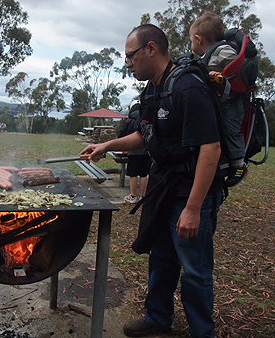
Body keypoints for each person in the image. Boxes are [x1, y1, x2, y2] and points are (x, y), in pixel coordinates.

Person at [80, 24, 223, 338]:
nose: (127, 63)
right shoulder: (153, 89)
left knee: (194, 269)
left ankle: (203, 332)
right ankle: (158, 317)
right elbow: (143, 136)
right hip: (163, 186)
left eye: (130, 56)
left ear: (151, 49)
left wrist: (194, 208)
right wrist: (107, 145)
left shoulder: (187, 87)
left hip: (189, 189)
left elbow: (211, 148)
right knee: (161, 257)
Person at [190, 11, 248, 187]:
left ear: (198, 39)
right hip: (219, 104)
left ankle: (239, 164)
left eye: (191, 40)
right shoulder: (206, 56)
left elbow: (237, 70)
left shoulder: (223, 51)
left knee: (230, 132)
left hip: (231, 105)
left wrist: (222, 76)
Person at [118, 100, 151, 203]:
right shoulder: (146, 119)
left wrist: (122, 147)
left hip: (133, 152)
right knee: (144, 174)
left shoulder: (129, 121)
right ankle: (142, 196)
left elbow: (121, 135)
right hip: (146, 151)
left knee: (133, 174)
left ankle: (133, 196)